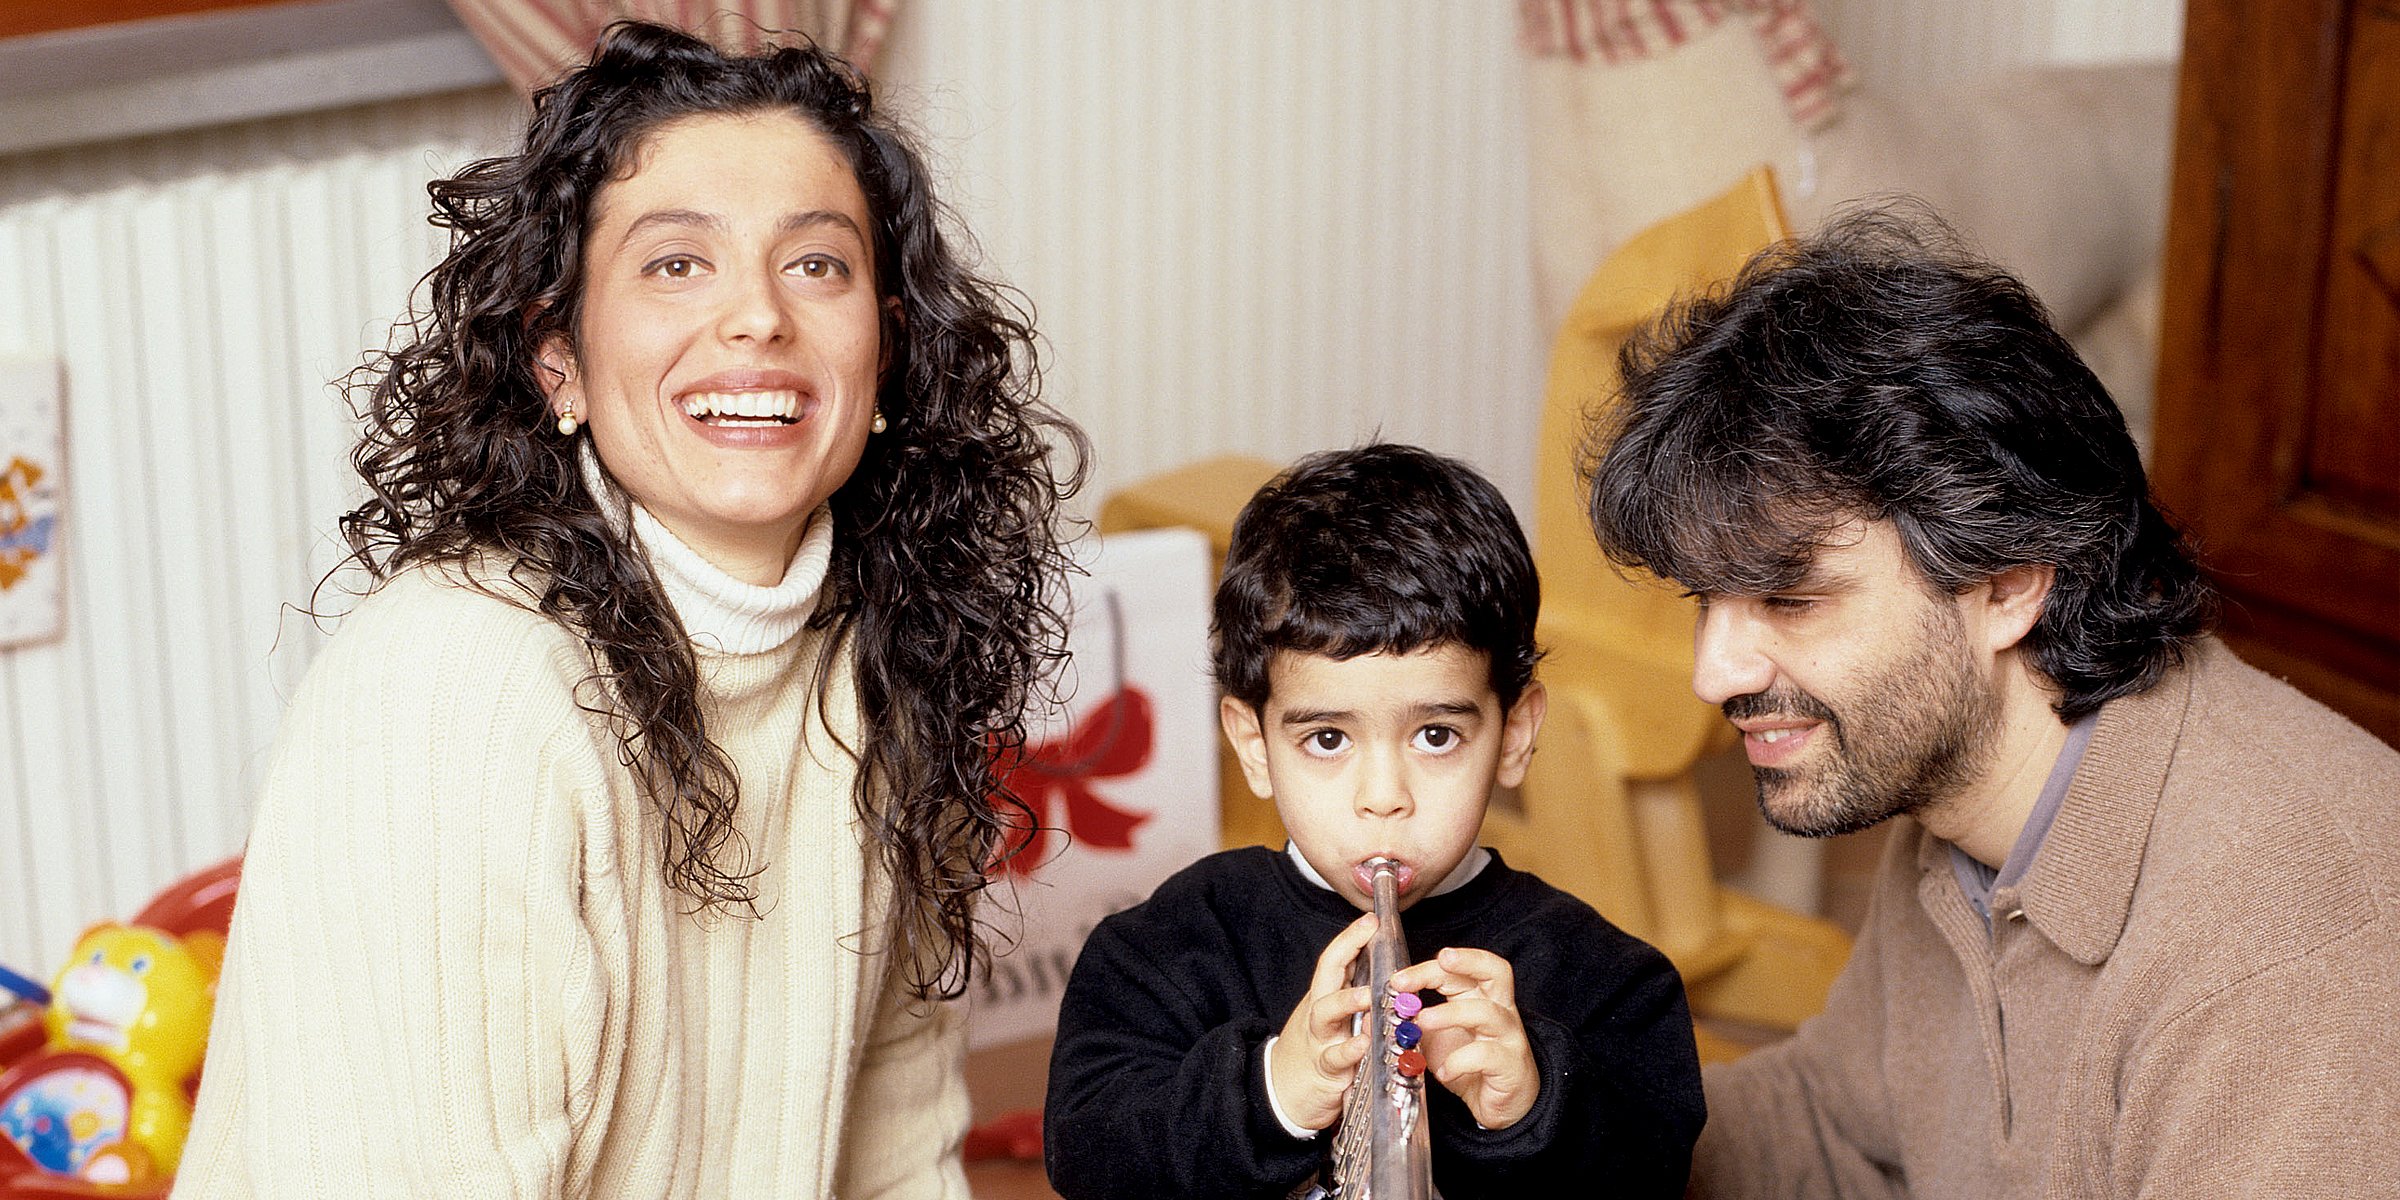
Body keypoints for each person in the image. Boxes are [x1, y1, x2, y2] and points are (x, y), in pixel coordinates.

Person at [178, 21, 1086, 1198]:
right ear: (557, 357)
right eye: (675, 263)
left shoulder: (891, 658)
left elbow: (898, 1152)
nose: (759, 317)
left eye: (818, 263)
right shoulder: (453, 696)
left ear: (890, 353)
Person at [1583, 206, 2400, 1198]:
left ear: (2010, 581)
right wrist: (1541, 1121)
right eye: (1707, 603)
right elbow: (1836, 1129)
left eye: (1789, 599)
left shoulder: (2281, 953)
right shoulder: (1961, 789)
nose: (1715, 675)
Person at [1043, 443, 1704, 1198]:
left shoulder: (1608, 978)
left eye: (1436, 736)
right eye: (1328, 740)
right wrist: (1270, 1094)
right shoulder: (1166, 947)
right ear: (1255, 746)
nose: (1383, 796)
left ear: (1514, 735)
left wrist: (1535, 1101)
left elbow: (1657, 1168)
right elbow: (1087, 1152)